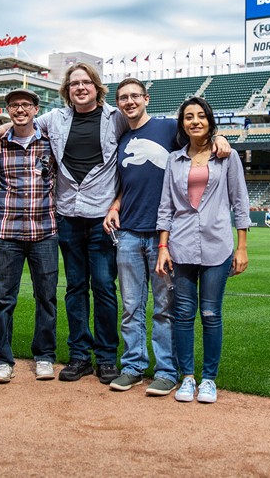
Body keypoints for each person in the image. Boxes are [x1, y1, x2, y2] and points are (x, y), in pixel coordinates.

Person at [0, 63, 126, 384]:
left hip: (102, 217)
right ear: (67, 89)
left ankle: (105, 357)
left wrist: (216, 136)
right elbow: (21, 121)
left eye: (86, 82)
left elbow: (149, 126)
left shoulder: (115, 118)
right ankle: (79, 356)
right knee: (75, 289)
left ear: (96, 86)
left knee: (104, 288)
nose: (80, 87)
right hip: (67, 217)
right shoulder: (56, 119)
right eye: (74, 83)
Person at [102, 79, 230, 396]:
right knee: (131, 306)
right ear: (119, 104)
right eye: (123, 98)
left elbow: (198, 130)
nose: (129, 101)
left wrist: (219, 137)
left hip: (165, 234)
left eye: (135, 96)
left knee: (164, 308)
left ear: (146, 98)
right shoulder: (122, 138)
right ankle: (132, 366)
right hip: (129, 231)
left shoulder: (169, 127)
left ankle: (167, 371)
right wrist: (116, 204)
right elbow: (129, 181)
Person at [156, 97, 250, 404]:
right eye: (188, 117)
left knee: (210, 314)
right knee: (183, 315)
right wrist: (163, 246)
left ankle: (209, 379)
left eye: (200, 116)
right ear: (182, 123)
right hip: (181, 246)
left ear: (209, 120)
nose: (195, 121)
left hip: (217, 247)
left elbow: (240, 201)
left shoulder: (227, 156)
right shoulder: (174, 160)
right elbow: (166, 206)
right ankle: (187, 377)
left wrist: (242, 248)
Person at [0, 88, 59, 384]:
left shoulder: (51, 143)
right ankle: (3, 360)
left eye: (26, 105)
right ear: (8, 110)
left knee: (46, 297)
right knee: (4, 299)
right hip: (7, 232)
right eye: (14, 105)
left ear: (35, 109)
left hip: (45, 231)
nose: (20, 109)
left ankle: (44, 356)